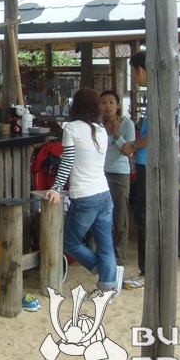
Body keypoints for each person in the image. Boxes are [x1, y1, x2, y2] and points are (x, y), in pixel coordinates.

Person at [44, 88, 123, 299]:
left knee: (70, 243)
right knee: (105, 244)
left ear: (75, 106)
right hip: (104, 193)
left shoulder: (71, 128)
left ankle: (104, 272)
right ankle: (108, 285)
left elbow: (67, 161)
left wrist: (55, 188)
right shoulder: (101, 129)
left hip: (84, 196)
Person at [120, 52, 148, 290]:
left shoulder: (158, 95)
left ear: (140, 69)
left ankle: (147, 271)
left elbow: (155, 133)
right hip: (147, 162)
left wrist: (134, 145)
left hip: (149, 162)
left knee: (144, 217)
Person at [100, 90, 135, 266]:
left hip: (119, 174)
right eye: (104, 102)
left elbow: (128, 151)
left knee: (120, 218)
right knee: (101, 217)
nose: (107, 106)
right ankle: (103, 254)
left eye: (111, 102)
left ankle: (119, 258)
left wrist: (117, 134)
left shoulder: (127, 124)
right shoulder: (98, 125)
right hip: (100, 174)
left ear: (118, 105)